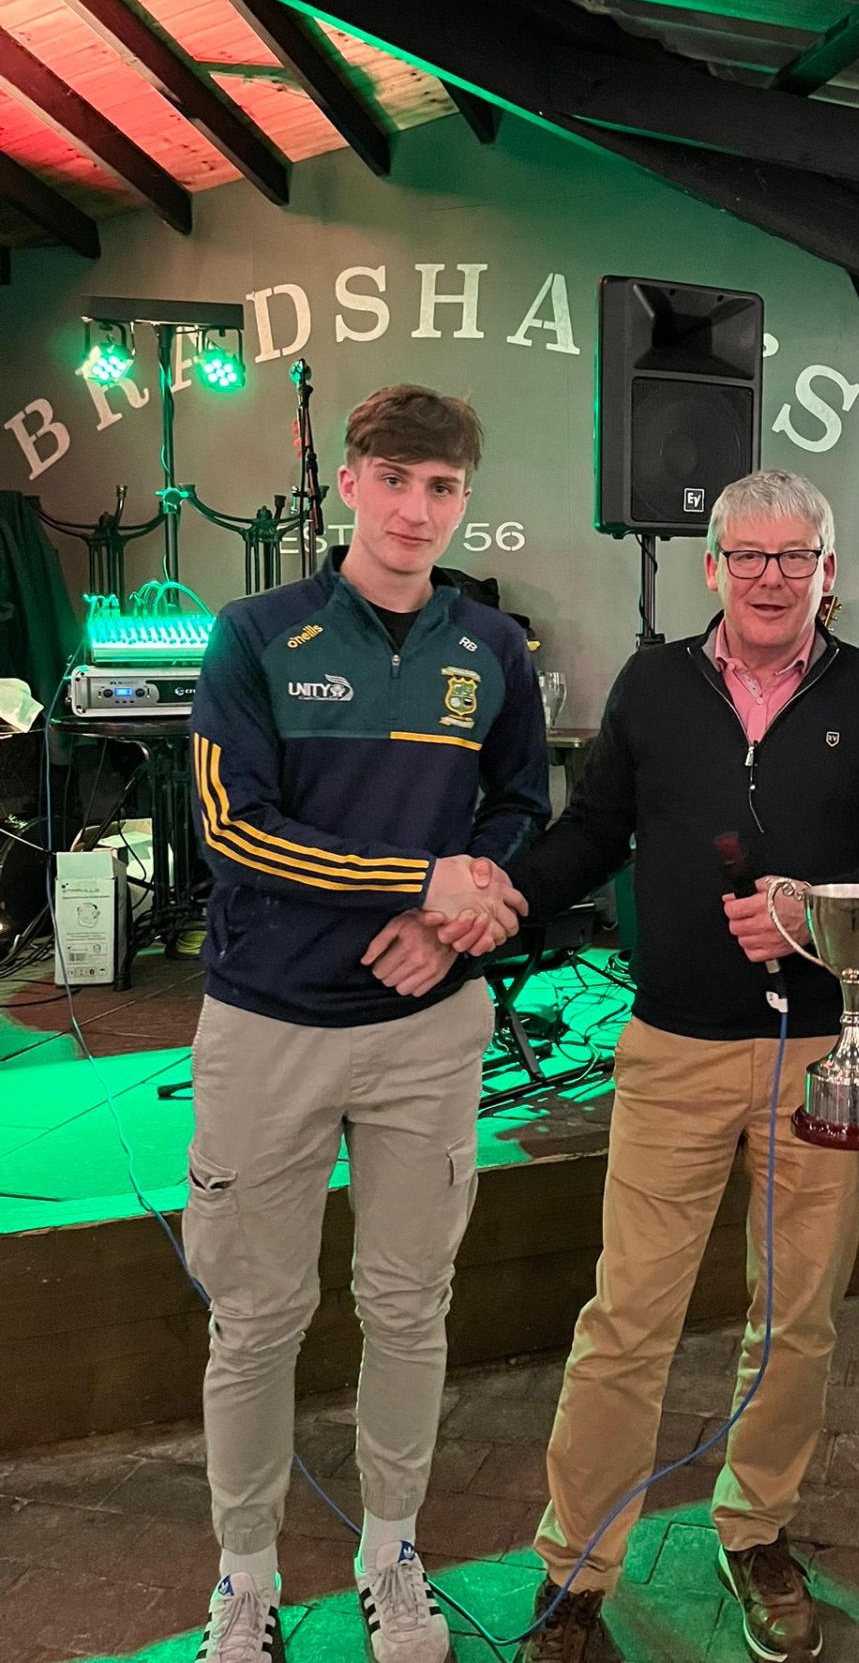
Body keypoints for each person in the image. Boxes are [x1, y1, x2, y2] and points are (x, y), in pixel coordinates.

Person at [439, 470, 859, 1662]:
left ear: (828, 570)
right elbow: (590, 832)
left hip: (822, 1056)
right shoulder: (653, 686)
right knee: (627, 1321)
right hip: (671, 1049)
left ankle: (756, 1526)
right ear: (712, 567)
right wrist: (504, 895)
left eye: (794, 556)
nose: (770, 577)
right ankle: (576, 1568)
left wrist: (814, 914)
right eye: (747, 555)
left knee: (799, 1321)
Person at [185, 385, 548, 1663]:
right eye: (393, 480)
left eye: (440, 488)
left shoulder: (490, 648)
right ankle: (245, 1580)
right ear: (349, 484)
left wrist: (449, 923)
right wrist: (417, 883)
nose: (414, 509)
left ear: (464, 501)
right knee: (256, 1318)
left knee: (408, 1306)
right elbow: (232, 831)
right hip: (269, 1026)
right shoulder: (255, 634)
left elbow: (517, 812)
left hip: (426, 1028)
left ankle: (392, 1555)